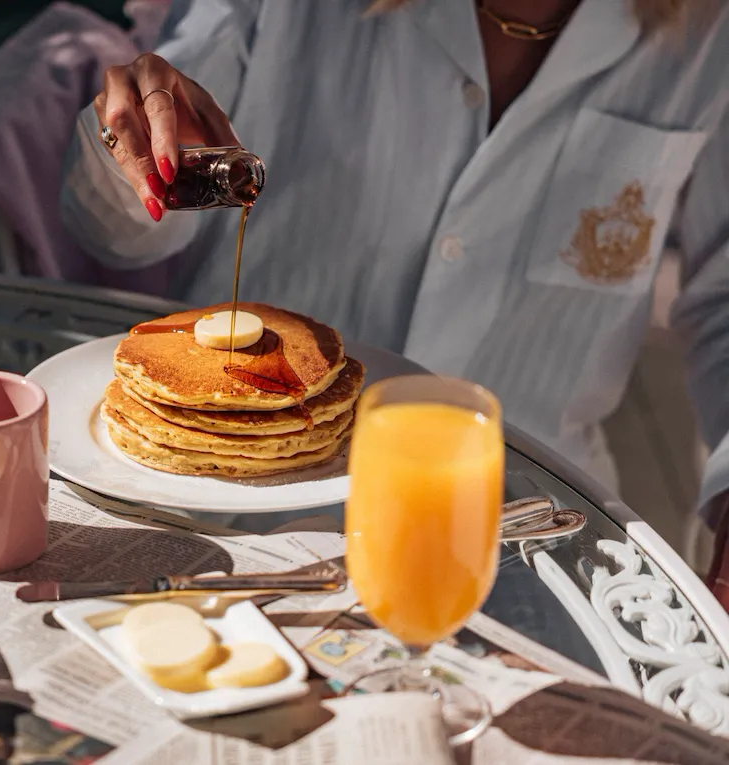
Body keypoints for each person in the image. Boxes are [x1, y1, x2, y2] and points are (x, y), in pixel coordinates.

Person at [58, 0, 729, 599]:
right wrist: (134, 147)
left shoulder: (708, 34)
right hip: (226, 530)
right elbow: (117, 229)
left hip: (522, 534)